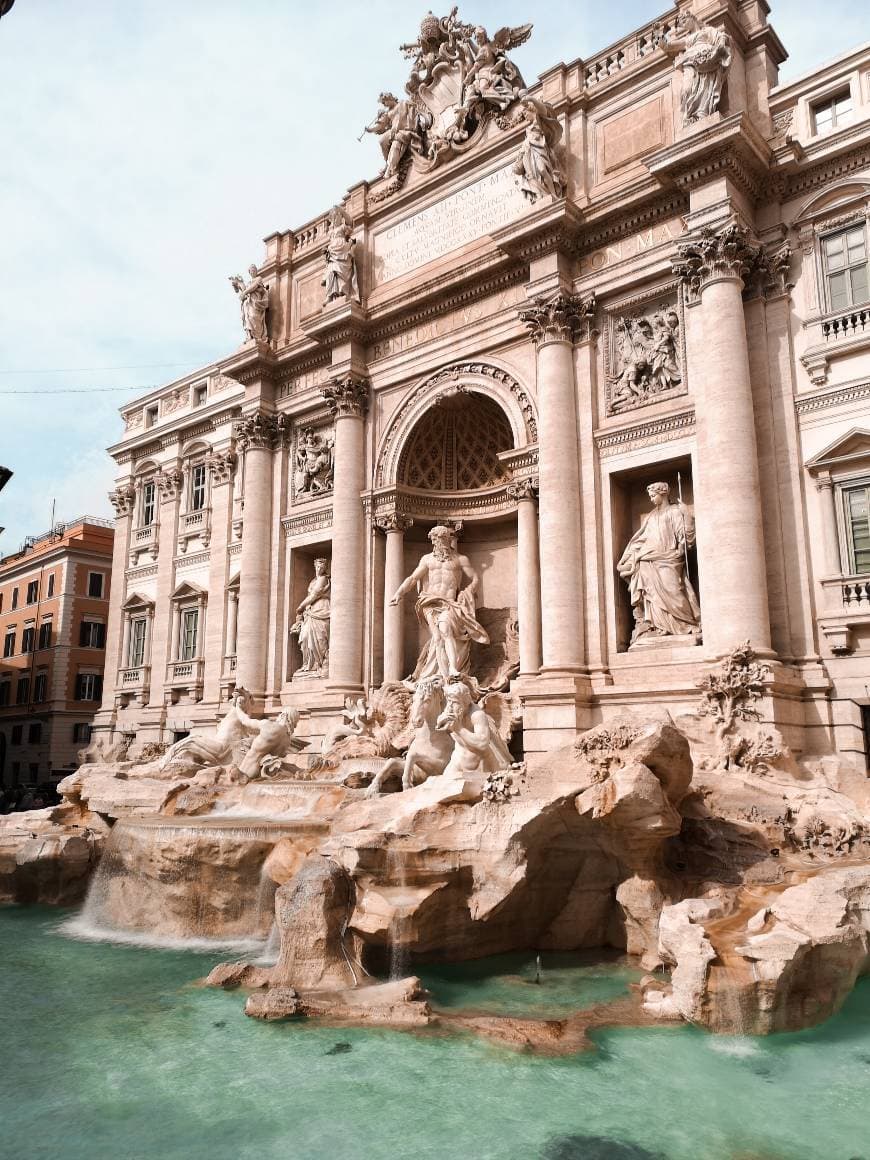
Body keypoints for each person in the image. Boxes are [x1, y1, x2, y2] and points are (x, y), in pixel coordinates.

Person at [389, 526, 489, 681]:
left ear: (449, 540)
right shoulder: (427, 559)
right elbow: (413, 578)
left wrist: (467, 591)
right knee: (437, 638)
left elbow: (475, 578)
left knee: (445, 629)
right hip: (429, 601)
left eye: (442, 539)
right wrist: (399, 593)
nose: (438, 543)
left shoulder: (460, 559)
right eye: (435, 540)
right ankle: (444, 675)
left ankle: (453, 669)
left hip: (449, 603)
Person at [617, 482, 700, 643]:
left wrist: (687, 516)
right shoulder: (652, 516)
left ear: (663, 494)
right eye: (649, 496)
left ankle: (685, 623)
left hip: (669, 557)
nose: (651, 499)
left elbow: (685, 536)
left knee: (674, 589)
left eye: (653, 495)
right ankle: (660, 626)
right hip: (648, 558)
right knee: (652, 594)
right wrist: (630, 557)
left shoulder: (675, 512)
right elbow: (641, 539)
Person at [291, 558, 331, 673]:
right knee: (305, 637)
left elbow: (315, 595)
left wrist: (301, 606)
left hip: (321, 608)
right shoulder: (313, 581)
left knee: (320, 637)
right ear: (314, 567)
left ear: (325, 568)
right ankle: (308, 664)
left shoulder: (323, 579)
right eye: (318, 567)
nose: (319, 569)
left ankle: (320, 664)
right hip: (310, 611)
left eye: (322, 567)